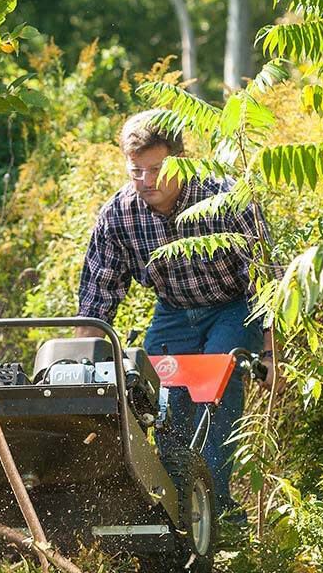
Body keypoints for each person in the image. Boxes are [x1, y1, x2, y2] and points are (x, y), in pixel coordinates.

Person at [75, 109, 278, 525]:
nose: (146, 181)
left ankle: (215, 511)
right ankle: (174, 508)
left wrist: (272, 354)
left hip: (233, 306)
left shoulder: (223, 197)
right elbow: (99, 295)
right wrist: (80, 366)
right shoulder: (119, 215)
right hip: (173, 310)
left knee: (214, 395)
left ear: (181, 160)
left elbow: (265, 280)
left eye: (156, 169)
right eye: (136, 171)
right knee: (161, 404)